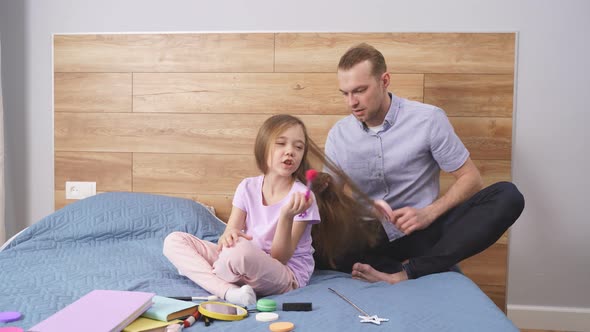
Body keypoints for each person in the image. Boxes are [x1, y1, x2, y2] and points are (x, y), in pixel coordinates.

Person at [324, 43, 525, 284]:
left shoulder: (428, 119)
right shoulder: (339, 134)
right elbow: (330, 202)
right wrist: (361, 208)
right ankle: (401, 266)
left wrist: (428, 214)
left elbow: (472, 179)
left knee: (508, 195)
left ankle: (406, 272)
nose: (351, 102)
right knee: (308, 232)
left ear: (384, 81)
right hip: (365, 237)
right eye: (344, 93)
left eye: (359, 90)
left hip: (421, 233)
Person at [163, 114, 321, 306]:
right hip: (243, 260)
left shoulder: (303, 197)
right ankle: (230, 291)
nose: (290, 152)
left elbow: (280, 258)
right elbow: (229, 233)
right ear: (263, 148)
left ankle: (209, 276)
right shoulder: (247, 187)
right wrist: (228, 236)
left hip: (285, 274)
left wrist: (286, 217)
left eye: (298, 147)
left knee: (238, 253)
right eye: (281, 143)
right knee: (174, 241)